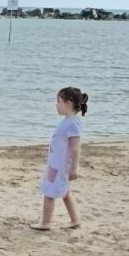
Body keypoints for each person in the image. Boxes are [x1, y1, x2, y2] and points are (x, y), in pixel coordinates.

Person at [31, 87, 88, 231]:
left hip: (61, 166)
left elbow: (76, 148)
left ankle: (46, 222)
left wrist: (74, 167)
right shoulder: (67, 121)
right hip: (54, 164)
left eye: (58, 102)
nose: (56, 105)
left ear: (68, 103)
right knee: (65, 192)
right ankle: (75, 220)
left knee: (49, 192)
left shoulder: (73, 123)